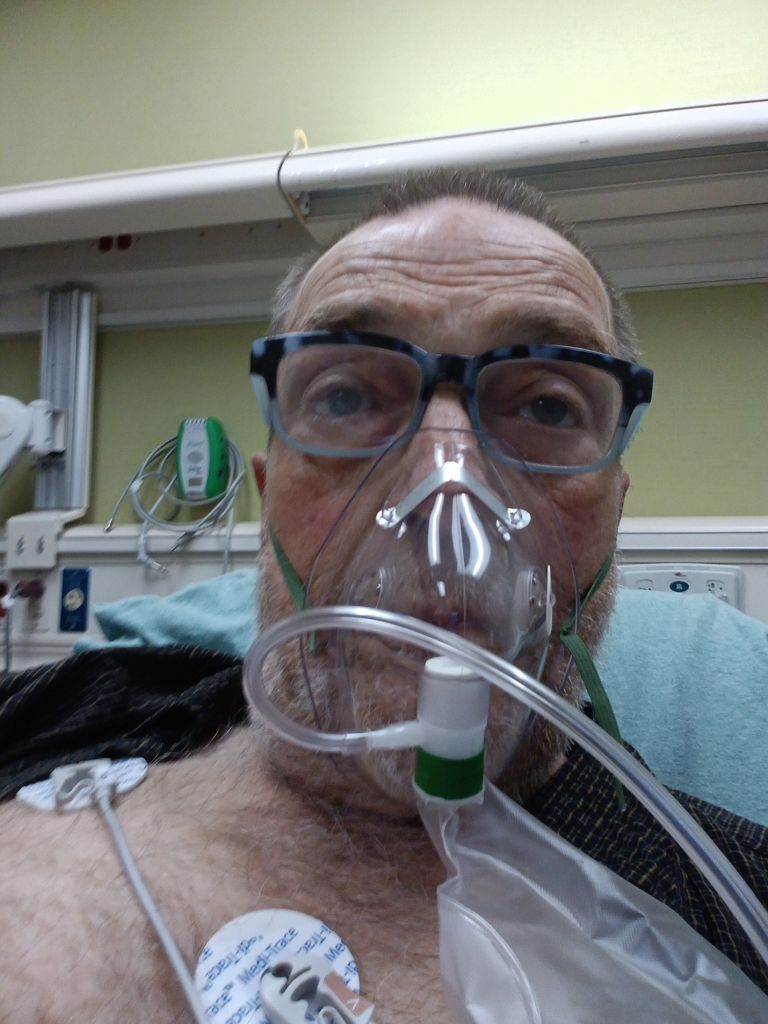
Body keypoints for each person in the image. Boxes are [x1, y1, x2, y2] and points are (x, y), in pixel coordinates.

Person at [0, 171, 765, 1023]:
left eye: (547, 408)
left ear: (613, 511)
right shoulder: (64, 715)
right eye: (347, 395)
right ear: (269, 498)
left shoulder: (731, 907)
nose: (449, 485)